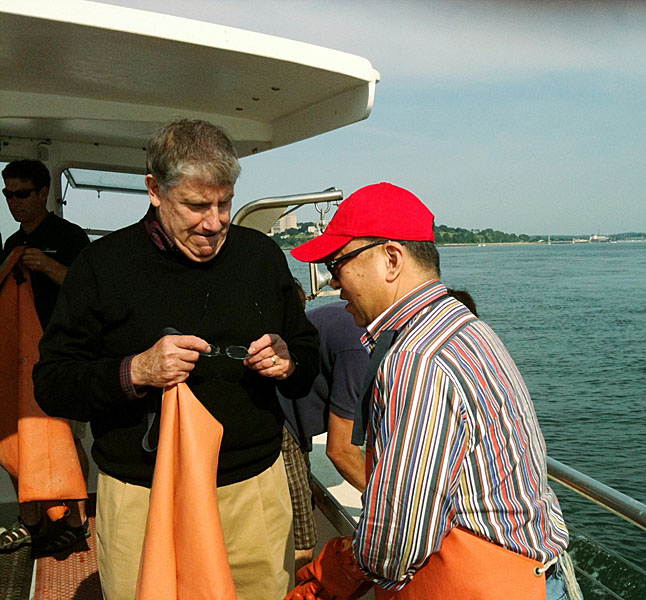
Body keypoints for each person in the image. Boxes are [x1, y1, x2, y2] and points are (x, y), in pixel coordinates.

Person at [33, 119, 319, 600]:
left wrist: (289, 362)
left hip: (251, 491)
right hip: (144, 496)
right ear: (154, 190)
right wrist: (135, 371)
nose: (214, 222)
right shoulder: (101, 265)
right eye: (195, 205)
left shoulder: (263, 256)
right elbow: (53, 382)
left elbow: (307, 354)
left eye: (224, 203)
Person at [287, 182, 581, 600]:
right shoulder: (466, 328)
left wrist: (328, 575)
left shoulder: (416, 359)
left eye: (337, 265)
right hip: (534, 575)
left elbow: (398, 538)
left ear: (391, 259)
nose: (335, 284)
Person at [1, 159, 91, 554]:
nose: (14, 203)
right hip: (21, 360)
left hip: (66, 357)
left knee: (66, 439)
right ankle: (30, 521)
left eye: (22, 194)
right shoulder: (10, 245)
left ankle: (77, 521)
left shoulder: (71, 237)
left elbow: (90, 292)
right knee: (21, 438)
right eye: (8, 195)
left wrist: (49, 266)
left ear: (43, 194)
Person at [281, 279, 369, 573]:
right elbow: (340, 451)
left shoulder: (358, 323)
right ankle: (301, 590)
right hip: (281, 420)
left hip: (290, 409)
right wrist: (389, 500)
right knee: (302, 530)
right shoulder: (358, 349)